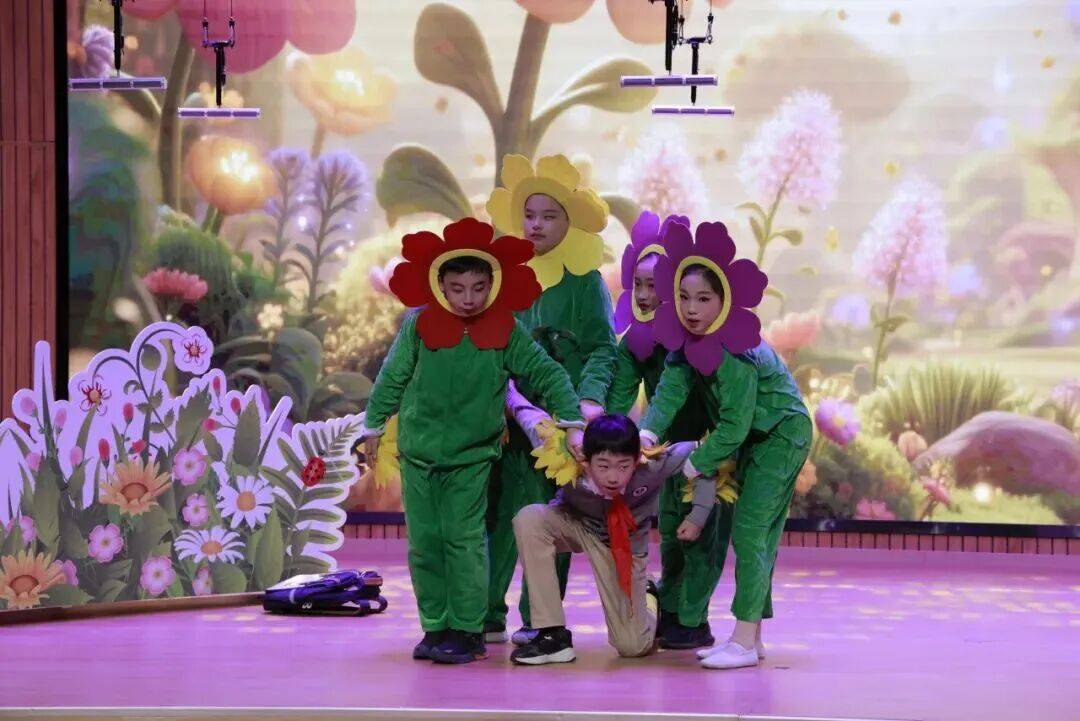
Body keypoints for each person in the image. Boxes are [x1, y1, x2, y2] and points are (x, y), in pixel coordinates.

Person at [360, 218, 585, 665]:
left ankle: (467, 630)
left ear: (491, 286)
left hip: (472, 458)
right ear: (441, 286)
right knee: (424, 544)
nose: (468, 298)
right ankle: (436, 626)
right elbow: (392, 376)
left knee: (463, 542)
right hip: (419, 455)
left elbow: (548, 373)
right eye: (457, 288)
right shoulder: (418, 325)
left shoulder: (505, 330)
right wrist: (373, 425)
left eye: (478, 288)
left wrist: (572, 421)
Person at [638, 219, 812, 670]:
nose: (691, 308)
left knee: (751, 531)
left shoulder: (735, 351)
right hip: (758, 438)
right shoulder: (687, 342)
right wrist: (646, 435)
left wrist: (694, 464)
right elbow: (669, 392)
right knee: (759, 536)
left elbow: (734, 425)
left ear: (723, 300)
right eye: (683, 297)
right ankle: (751, 640)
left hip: (781, 434)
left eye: (703, 299)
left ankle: (742, 640)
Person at [484, 154, 617, 645]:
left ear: (569, 222)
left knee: (549, 518)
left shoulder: (584, 280)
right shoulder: (504, 274)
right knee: (498, 514)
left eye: (548, 216)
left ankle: (539, 619)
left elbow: (603, 347)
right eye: (529, 215)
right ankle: (485, 614)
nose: (536, 225)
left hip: (561, 425)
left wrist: (588, 401)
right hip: (507, 416)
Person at [506, 386, 717, 664]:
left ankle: (648, 597)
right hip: (574, 522)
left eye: (623, 466)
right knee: (530, 518)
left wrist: (697, 516)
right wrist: (507, 388)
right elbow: (529, 415)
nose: (614, 477)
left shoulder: (651, 465)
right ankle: (551, 634)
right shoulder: (566, 452)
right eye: (603, 466)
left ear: (636, 459)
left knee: (632, 645)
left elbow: (702, 454)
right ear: (585, 458)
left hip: (624, 545)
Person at [607, 211, 729, 651]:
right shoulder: (635, 343)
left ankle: (692, 619)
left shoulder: (698, 335)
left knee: (702, 529)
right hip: (666, 450)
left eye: (653, 285)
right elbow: (618, 399)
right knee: (674, 533)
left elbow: (675, 397)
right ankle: (674, 611)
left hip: (713, 448)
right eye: (637, 284)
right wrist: (604, 441)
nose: (643, 295)